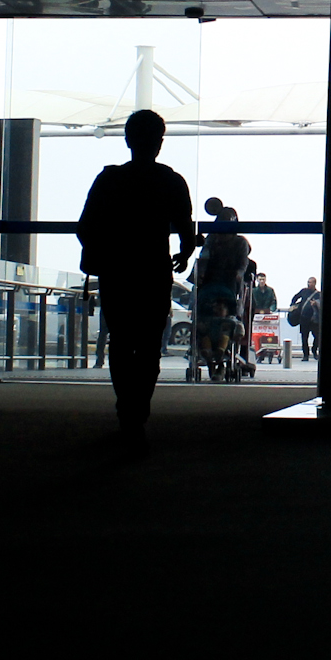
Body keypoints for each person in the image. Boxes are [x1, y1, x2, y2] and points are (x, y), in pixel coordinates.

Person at [76, 110, 198, 449]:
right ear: (159, 142)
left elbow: (85, 228)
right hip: (153, 271)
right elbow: (186, 231)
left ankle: (126, 409)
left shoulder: (109, 180)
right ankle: (136, 411)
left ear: (128, 140)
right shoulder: (171, 181)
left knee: (121, 341)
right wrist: (184, 255)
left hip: (118, 272)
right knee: (148, 347)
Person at [194, 200, 254, 379]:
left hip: (229, 284)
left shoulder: (239, 243)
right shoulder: (212, 239)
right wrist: (202, 274)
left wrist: (238, 274)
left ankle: (219, 358)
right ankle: (213, 358)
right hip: (211, 284)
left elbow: (243, 264)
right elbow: (204, 257)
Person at [289, 276, 321, 360]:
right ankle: (305, 355)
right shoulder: (304, 291)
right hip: (303, 318)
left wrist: (315, 303)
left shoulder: (318, 294)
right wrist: (293, 305)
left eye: (310, 282)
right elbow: (295, 297)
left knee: (317, 336)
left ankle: (314, 351)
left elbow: (321, 305)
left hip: (314, 320)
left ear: (314, 283)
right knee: (304, 337)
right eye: (308, 282)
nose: (309, 284)